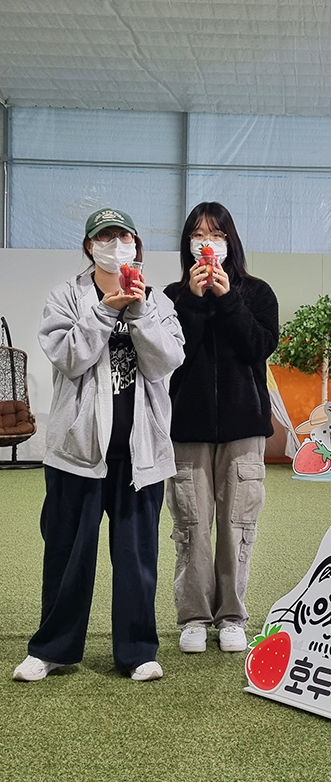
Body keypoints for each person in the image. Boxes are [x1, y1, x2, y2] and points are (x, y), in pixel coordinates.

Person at [13, 208, 185, 683]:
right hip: (77, 452)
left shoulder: (157, 301)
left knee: (137, 559)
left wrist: (138, 311)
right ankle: (51, 649)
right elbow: (69, 357)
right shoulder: (66, 297)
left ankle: (138, 651)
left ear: (135, 244)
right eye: (105, 237)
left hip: (139, 454)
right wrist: (106, 310)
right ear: (90, 246)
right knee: (66, 555)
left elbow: (166, 361)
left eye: (123, 236)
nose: (115, 245)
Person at [164, 202, 279, 654]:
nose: (207, 243)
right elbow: (169, 356)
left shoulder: (258, 292)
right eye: (198, 235)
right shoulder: (171, 297)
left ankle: (232, 615)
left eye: (216, 234)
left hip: (243, 427)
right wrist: (193, 303)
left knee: (237, 524)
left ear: (230, 242)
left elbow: (258, 347)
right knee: (191, 525)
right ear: (187, 244)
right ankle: (194, 617)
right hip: (186, 428)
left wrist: (228, 299)